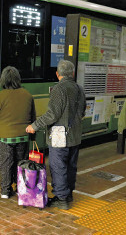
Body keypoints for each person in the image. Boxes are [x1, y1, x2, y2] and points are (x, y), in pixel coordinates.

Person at [25, 60, 86, 210]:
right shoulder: (79, 89)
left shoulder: (59, 89)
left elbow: (52, 115)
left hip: (60, 136)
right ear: (72, 74)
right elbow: (82, 111)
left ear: (58, 74)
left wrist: (34, 126)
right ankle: (68, 193)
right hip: (75, 135)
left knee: (58, 166)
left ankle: (61, 198)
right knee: (71, 166)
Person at [0, 66, 36, 199]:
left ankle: (5, 191)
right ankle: (21, 188)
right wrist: (32, 136)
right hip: (23, 137)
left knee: (6, 164)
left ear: (3, 80)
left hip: (5, 138)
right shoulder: (27, 95)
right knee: (21, 163)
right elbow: (33, 118)